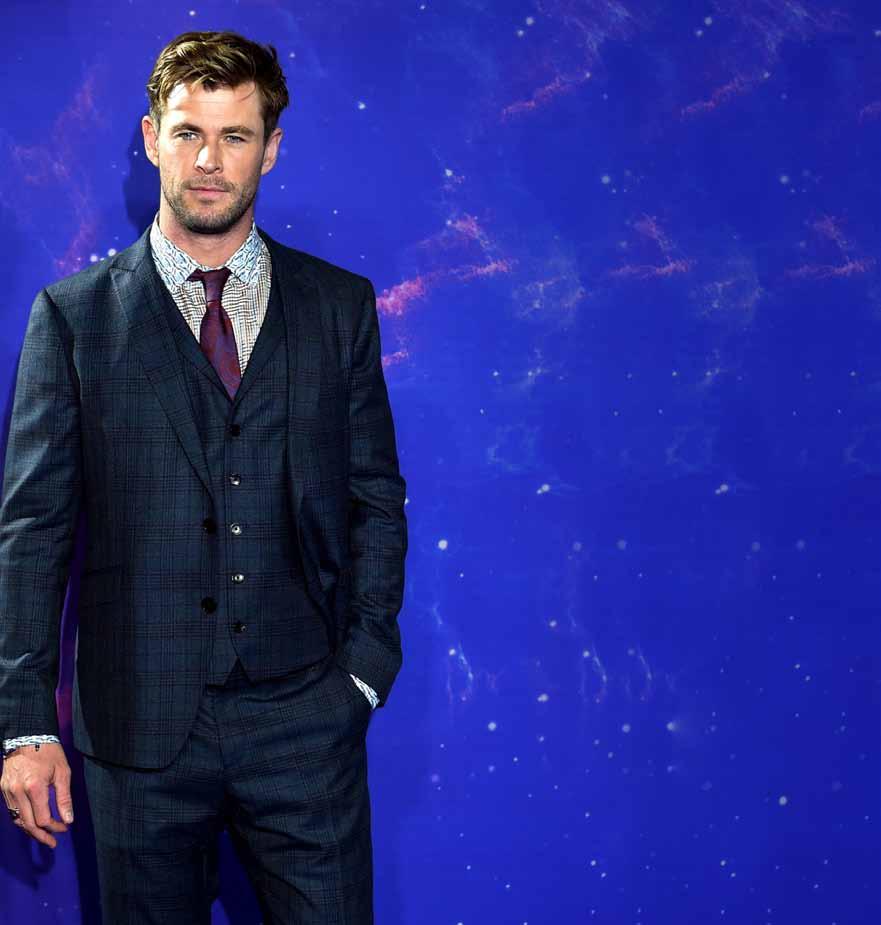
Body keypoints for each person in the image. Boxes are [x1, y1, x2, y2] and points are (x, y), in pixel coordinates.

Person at [0, 29, 407, 924]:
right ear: (152, 138)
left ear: (271, 147)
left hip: (305, 721)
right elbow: (32, 536)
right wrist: (26, 723)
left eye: (234, 135)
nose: (209, 161)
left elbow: (374, 499)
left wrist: (363, 671)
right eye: (188, 132)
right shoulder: (73, 319)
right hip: (136, 733)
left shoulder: (338, 307)